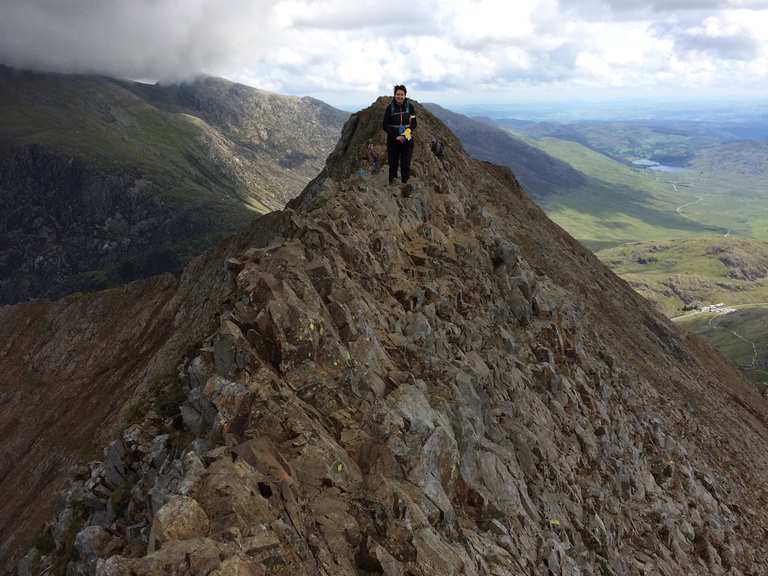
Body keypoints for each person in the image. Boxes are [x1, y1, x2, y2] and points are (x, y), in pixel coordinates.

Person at [382, 84, 417, 184]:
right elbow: (384, 125)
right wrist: (396, 137)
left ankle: (405, 185)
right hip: (393, 140)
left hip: (407, 138)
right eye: (398, 94)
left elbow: (414, 124)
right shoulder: (390, 108)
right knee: (393, 164)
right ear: (394, 95)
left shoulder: (410, 107)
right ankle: (392, 185)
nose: (400, 96)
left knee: (406, 164)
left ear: (405, 95)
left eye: (402, 94)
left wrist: (405, 134)